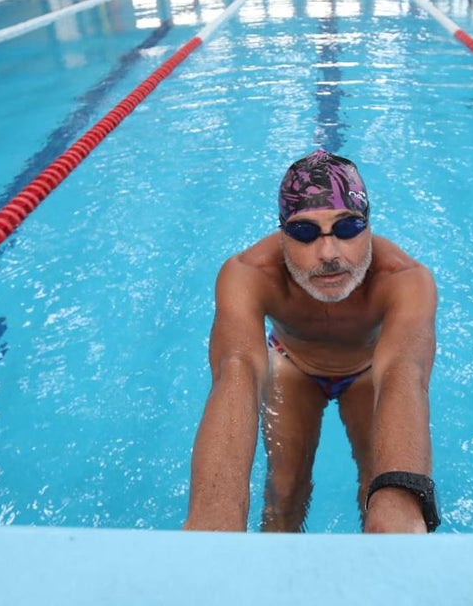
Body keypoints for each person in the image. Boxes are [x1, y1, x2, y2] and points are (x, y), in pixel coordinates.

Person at [183, 149, 439, 533]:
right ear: (282, 233)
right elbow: (235, 368)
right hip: (292, 366)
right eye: (304, 232)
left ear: (368, 226)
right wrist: (213, 514)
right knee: (284, 492)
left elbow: (405, 372)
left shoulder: (404, 279)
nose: (328, 253)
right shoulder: (250, 274)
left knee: (380, 490)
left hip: (370, 372)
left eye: (347, 228)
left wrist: (401, 503)